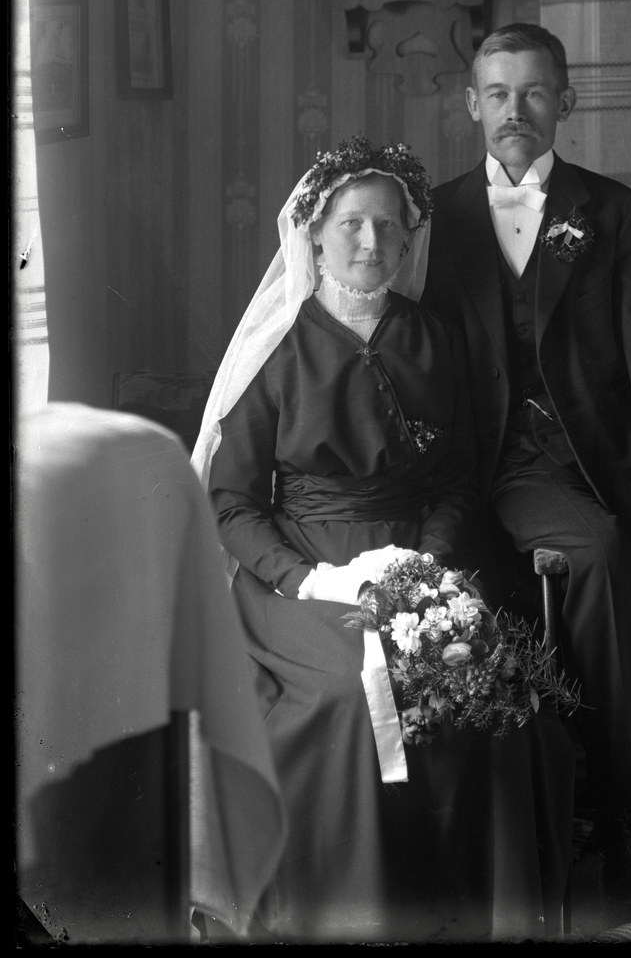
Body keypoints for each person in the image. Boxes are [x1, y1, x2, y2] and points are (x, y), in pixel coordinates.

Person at [191, 136, 575, 943]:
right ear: (315, 234)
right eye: (352, 224)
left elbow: (458, 479)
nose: (371, 242)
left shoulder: (436, 337)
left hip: (416, 557)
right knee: (348, 692)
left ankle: (468, 909)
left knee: (484, 687)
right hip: (299, 571)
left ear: (409, 239)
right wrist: (301, 579)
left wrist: (427, 558)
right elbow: (231, 503)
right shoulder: (277, 348)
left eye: (389, 226)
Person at [421, 23, 631, 905]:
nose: (515, 111)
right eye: (498, 94)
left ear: (566, 102)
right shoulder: (436, 217)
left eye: (535, 92)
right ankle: (623, 817)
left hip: (613, 464)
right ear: (471, 105)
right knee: (597, 555)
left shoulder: (612, 210)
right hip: (505, 468)